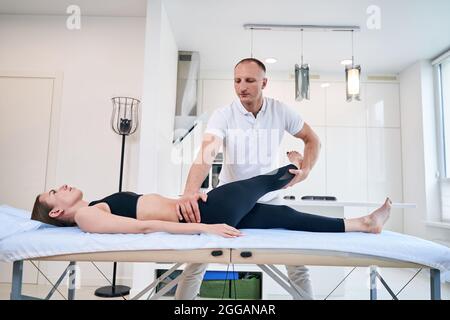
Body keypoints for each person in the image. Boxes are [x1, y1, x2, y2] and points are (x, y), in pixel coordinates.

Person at [173, 57, 340, 300]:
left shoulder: (280, 111)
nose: (242, 86)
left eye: (250, 80)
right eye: (237, 80)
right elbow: (207, 152)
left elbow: (312, 139)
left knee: (296, 263)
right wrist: (189, 191)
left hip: (269, 198)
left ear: (264, 83)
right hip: (231, 201)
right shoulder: (224, 115)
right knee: (197, 259)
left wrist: (306, 170)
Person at [31, 152, 392, 238]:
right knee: (258, 184)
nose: (60, 186)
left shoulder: (92, 206)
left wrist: (188, 197)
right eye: (53, 192)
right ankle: (292, 170)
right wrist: (205, 228)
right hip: (201, 217)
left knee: (284, 218)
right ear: (59, 213)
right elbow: (145, 227)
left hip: (197, 209)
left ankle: (362, 224)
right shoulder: (85, 216)